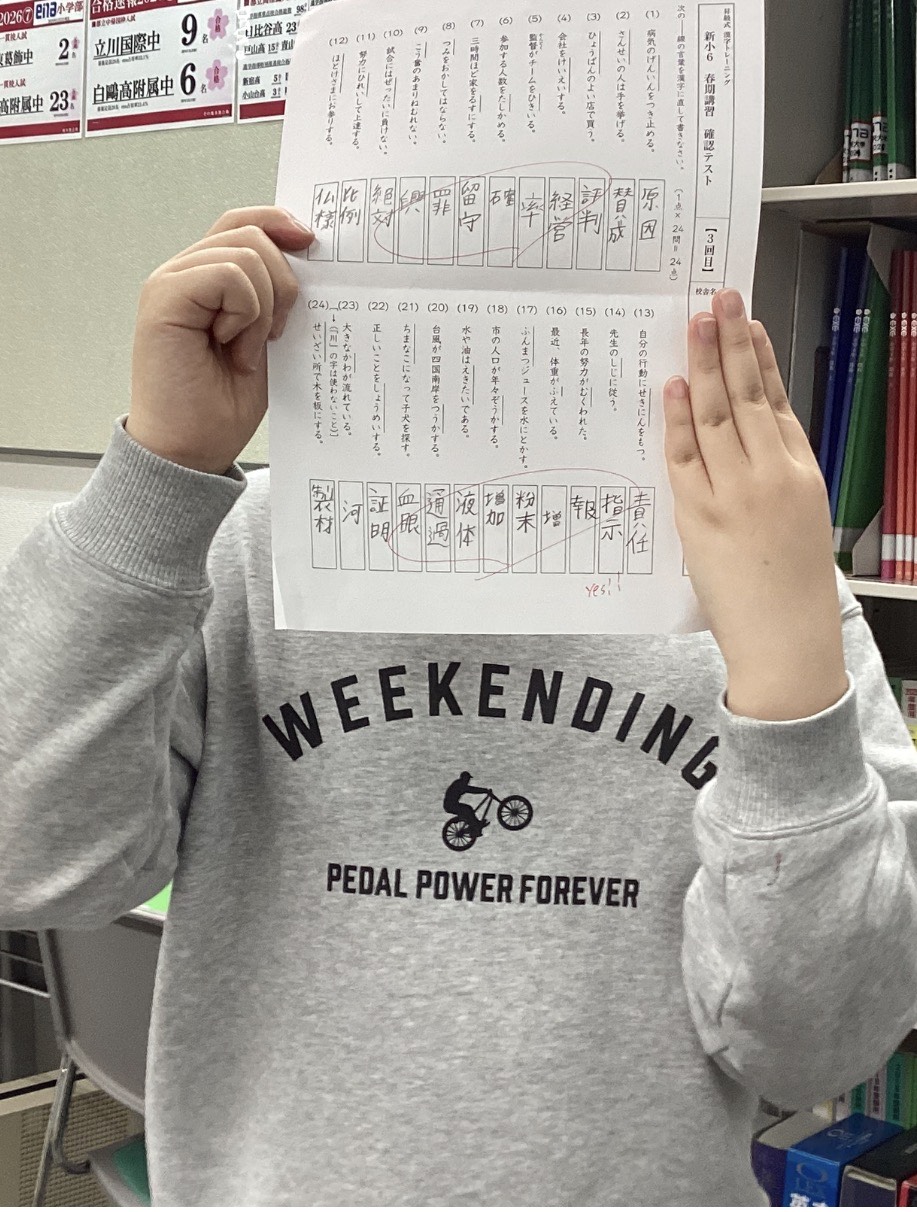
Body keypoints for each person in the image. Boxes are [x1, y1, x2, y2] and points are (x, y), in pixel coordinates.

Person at [2, 205, 917, 1207]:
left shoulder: (767, 576)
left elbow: (819, 1047)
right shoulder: (243, 550)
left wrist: (787, 683)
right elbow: (28, 859)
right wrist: (160, 471)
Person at [443, 770, 490, 838]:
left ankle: (474, 826)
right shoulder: (460, 784)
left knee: (468, 810)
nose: (468, 781)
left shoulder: (459, 783)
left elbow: (470, 789)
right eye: (467, 779)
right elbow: (471, 789)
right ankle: (474, 827)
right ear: (464, 778)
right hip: (450, 805)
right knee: (468, 809)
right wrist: (485, 790)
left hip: (450, 804)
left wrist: (484, 791)